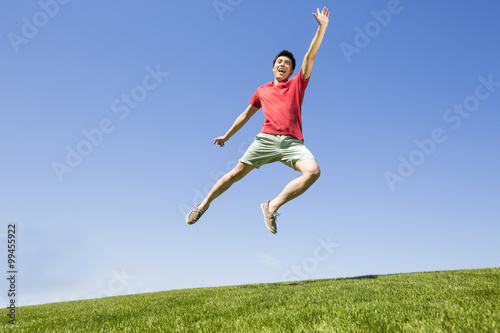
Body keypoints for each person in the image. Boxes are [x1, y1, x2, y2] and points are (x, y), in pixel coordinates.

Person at [186, 7, 330, 234]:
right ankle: (203, 205)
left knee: (313, 172)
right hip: (266, 140)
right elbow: (245, 115)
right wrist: (226, 135)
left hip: (293, 143)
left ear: (292, 70)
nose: (282, 65)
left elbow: (309, 55)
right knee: (235, 174)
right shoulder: (262, 90)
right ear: (273, 67)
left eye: (287, 64)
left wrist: (322, 28)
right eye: (279, 62)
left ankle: (272, 206)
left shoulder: (297, 84)